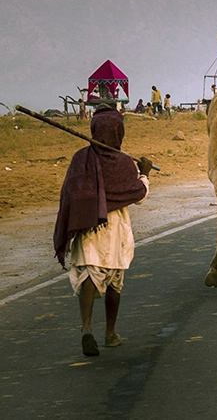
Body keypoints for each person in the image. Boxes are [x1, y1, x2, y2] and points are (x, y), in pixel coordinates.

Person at [52, 107, 152, 356]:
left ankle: (86, 327)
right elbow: (138, 195)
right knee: (114, 282)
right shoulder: (124, 162)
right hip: (115, 228)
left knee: (88, 274)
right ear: (119, 131)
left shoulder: (80, 159)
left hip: (88, 225)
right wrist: (145, 174)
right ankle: (110, 333)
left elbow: (69, 192)